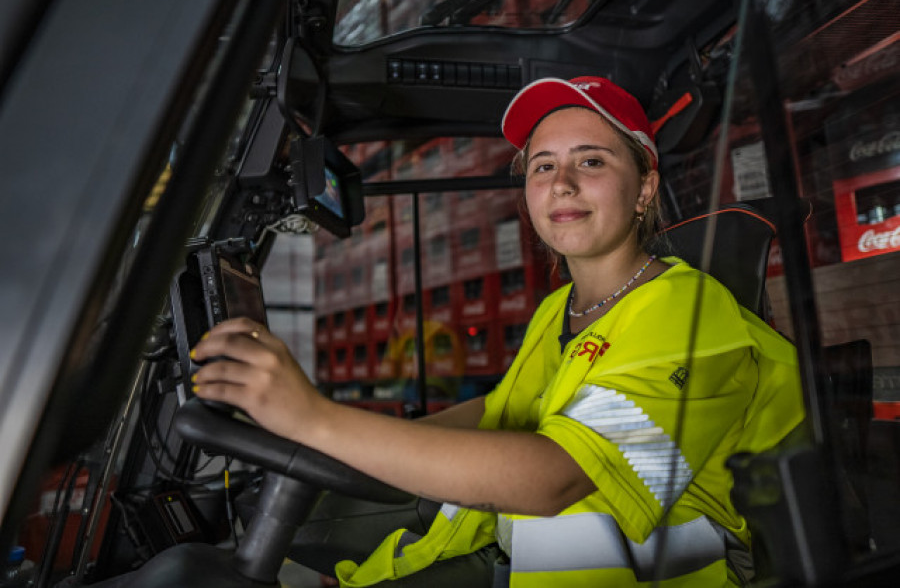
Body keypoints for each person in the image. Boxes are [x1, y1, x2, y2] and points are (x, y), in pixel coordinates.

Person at [192, 76, 806, 587]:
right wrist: (346, 441)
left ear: (644, 188)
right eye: (543, 166)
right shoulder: (560, 309)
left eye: (591, 161)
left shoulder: (686, 312)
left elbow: (556, 478)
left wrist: (312, 420)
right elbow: (500, 408)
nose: (561, 183)